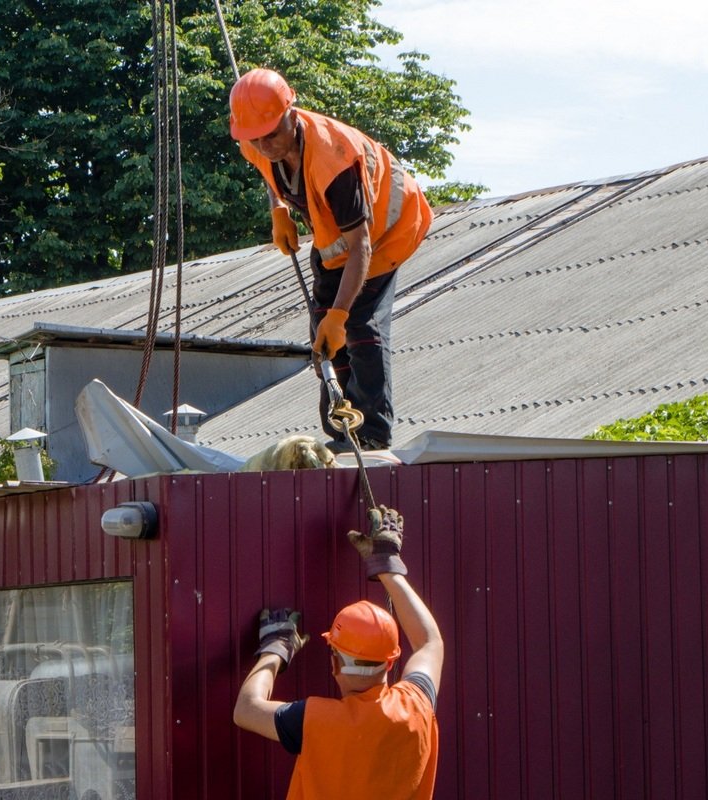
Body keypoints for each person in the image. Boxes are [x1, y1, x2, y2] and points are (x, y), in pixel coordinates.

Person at [229, 68, 434, 451]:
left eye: (271, 135)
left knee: (357, 323)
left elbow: (361, 247)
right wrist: (279, 211)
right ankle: (342, 430)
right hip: (335, 238)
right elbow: (265, 168)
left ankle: (371, 434)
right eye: (256, 139)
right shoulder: (254, 137)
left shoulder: (334, 162)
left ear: (291, 113)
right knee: (321, 331)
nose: (265, 145)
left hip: (388, 230)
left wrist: (339, 315)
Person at [234, 506, 443, 798]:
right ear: (389, 662)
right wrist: (388, 565)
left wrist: (276, 648)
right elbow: (429, 642)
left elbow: (246, 709)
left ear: (334, 664)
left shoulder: (314, 721)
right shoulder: (415, 706)